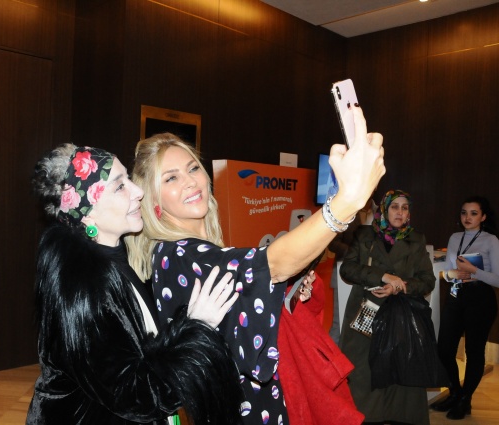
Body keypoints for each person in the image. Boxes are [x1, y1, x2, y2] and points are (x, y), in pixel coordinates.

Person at [126, 105, 385, 425]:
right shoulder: (175, 255)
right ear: (154, 200)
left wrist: (287, 295)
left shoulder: (202, 252)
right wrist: (348, 201)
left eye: (193, 169)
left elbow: (246, 306)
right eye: (171, 178)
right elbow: (267, 265)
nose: (190, 182)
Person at [26, 143, 244, 425]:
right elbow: (136, 396)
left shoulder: (116, 259)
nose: (138, 191)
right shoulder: (84, 288)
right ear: (88, 213)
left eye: (128, 179)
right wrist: (197, 328)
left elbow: (143, 349)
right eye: (120, 187)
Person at [339, 189, 436, 425]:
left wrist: (399, 286)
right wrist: (382, 276)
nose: (400, 212)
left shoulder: (416, 239)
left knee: (400, 370)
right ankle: (365, 418)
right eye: (394, 207)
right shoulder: (365, 235)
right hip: (365, 312)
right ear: (383, 210)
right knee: (363, 370)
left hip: (400, 315)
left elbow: (427, 280)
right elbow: (347, 270)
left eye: (405, 208)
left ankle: (398, 417)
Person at [431, 196, 499, 420]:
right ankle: (455, 392)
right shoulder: (455, 238)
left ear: (483, 217)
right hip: (456, 295)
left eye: (473, 213)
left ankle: (465, 399)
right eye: (464, 212)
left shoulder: (491, 241)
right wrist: (450, 274)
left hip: (481, 299)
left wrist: (474, 271)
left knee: (474, 352)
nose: (467, 217)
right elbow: (449, 269)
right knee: (444, 349)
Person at [327, 196, 377, 345]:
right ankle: (330, 359)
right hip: (344, 276)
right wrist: (355, 253)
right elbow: (333, 243)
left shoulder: (381, 211)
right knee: (339, 325)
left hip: (370, 278)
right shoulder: (346, 210)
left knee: (362, 328)